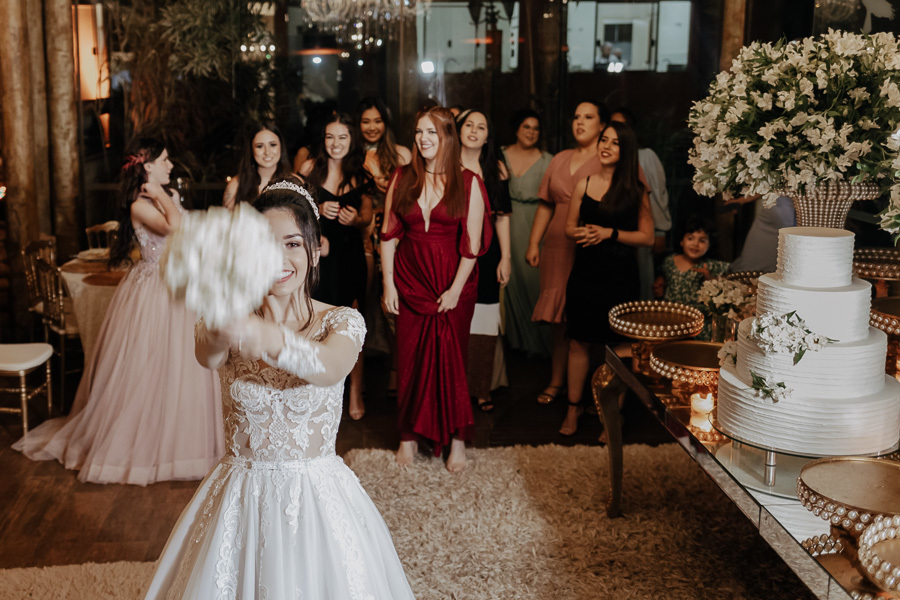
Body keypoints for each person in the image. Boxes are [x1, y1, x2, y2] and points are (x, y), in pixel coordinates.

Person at [144, 177, 415, 599]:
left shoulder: (341, 321)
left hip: (315, 500)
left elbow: (326, 368)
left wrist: (262, 334)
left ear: (314, 248)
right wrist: (222, 316)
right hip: (239, 496)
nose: (278, 258)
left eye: (291, 243)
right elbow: (207, 354)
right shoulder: (225, 317)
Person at [12, 138, 223, 485]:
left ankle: (184, 438)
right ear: (148, 165)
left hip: (182, 286)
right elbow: (175, 228)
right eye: (165, 160)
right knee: (151, 369)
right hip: (155, 291)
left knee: (186, 368)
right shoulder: (140, 204)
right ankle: (148, 444)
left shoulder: (163, 195)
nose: (170, 165)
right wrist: (159, 193)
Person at [381, 106, 490, 472]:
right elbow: (387, 236)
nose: (423, 140)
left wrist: (457, 289)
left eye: (431, 133)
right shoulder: (402, 177)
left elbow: (472, 243)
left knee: (453, 359)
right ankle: (408, 436)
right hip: (410, 281)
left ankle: (457, 438)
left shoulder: (469, 181)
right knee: (409, 358)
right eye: (418, 133)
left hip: (452, 283)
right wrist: (388, 284)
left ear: (447, 136)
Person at [561, 122, 654, 436]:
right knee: (578, 342)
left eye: (615, 143)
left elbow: (647, 237)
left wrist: (609, 233)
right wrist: (584, 232)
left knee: (617, 348)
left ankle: (612, 416)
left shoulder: (635, 191)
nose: (606, 146)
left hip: (620, 278)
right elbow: (568, 228)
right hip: (585, 275)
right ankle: (572, 410)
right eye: (604, 140)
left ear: (624, 151)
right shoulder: (583, 184)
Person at [526, 101, 608, 405]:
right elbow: (546, 203)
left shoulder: (607, 158)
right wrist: (534, 243)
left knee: (587, 316)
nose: (580, 122)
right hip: (557, 246)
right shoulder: (560, 158)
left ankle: (593, 388)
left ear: (602, 125)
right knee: (559, 319)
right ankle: (557, 381)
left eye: (588, 117)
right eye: (576, 117)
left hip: (589, 246)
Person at [299, 113, 373, 420]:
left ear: (351, 140)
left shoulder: (360, 172)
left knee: (352, 323)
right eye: (330, 137)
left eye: (342, 137)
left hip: (350, 256)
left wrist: (355, 219)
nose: (336, 143)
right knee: (317, 321)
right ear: (323, 139)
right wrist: (317, 209)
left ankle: (355, 390)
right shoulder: (308, 170)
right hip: (320, 257)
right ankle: (319, 388)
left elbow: (368, 216)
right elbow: (295, 210)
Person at [457, 108, 512, 412]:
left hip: (488, 252)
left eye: (482, 126)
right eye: (469, 125)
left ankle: (481, 388)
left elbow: (502, 218)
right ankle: (456, 386)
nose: (475, 130)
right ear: (459, 129)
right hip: (453, 249)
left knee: (485, 320)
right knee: (456, 317)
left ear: (488, 135)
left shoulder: (496, 169)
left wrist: (507, 257)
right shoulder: (445, 166)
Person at [502, 109, 554, 357]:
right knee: (506, 283)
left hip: (535, 224)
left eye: (535, 128)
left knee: (535, 283)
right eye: (526, 127)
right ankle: (513, 344)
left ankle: (540, 346)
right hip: (504, 223)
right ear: (516, 129)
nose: (531, 132)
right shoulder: (500, 155)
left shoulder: (548, 160)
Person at [610, 107, 672, 300]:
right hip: (613, 230)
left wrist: (660, 231)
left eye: (622, 125)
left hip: (641, 230)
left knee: (641, 280)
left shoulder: (645, 156)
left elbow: (658, 195)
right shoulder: (607, 157)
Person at [654, 216, 730, 340]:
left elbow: (724, 290)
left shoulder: (713, 266)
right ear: (681, 241)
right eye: (690, 238)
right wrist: (660, 283)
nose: (696, 244)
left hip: (699, 324)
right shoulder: (669, 261)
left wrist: (709, 279)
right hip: (672, 320)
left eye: (702, 240)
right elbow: (663, 278)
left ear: (710, 244)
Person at [223, 121, 293, 209]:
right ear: (251, 150)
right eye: (259, 146)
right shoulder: (236, 185)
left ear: (281, 147)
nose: (267, 152)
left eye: (273, 145)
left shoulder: (295, 182)